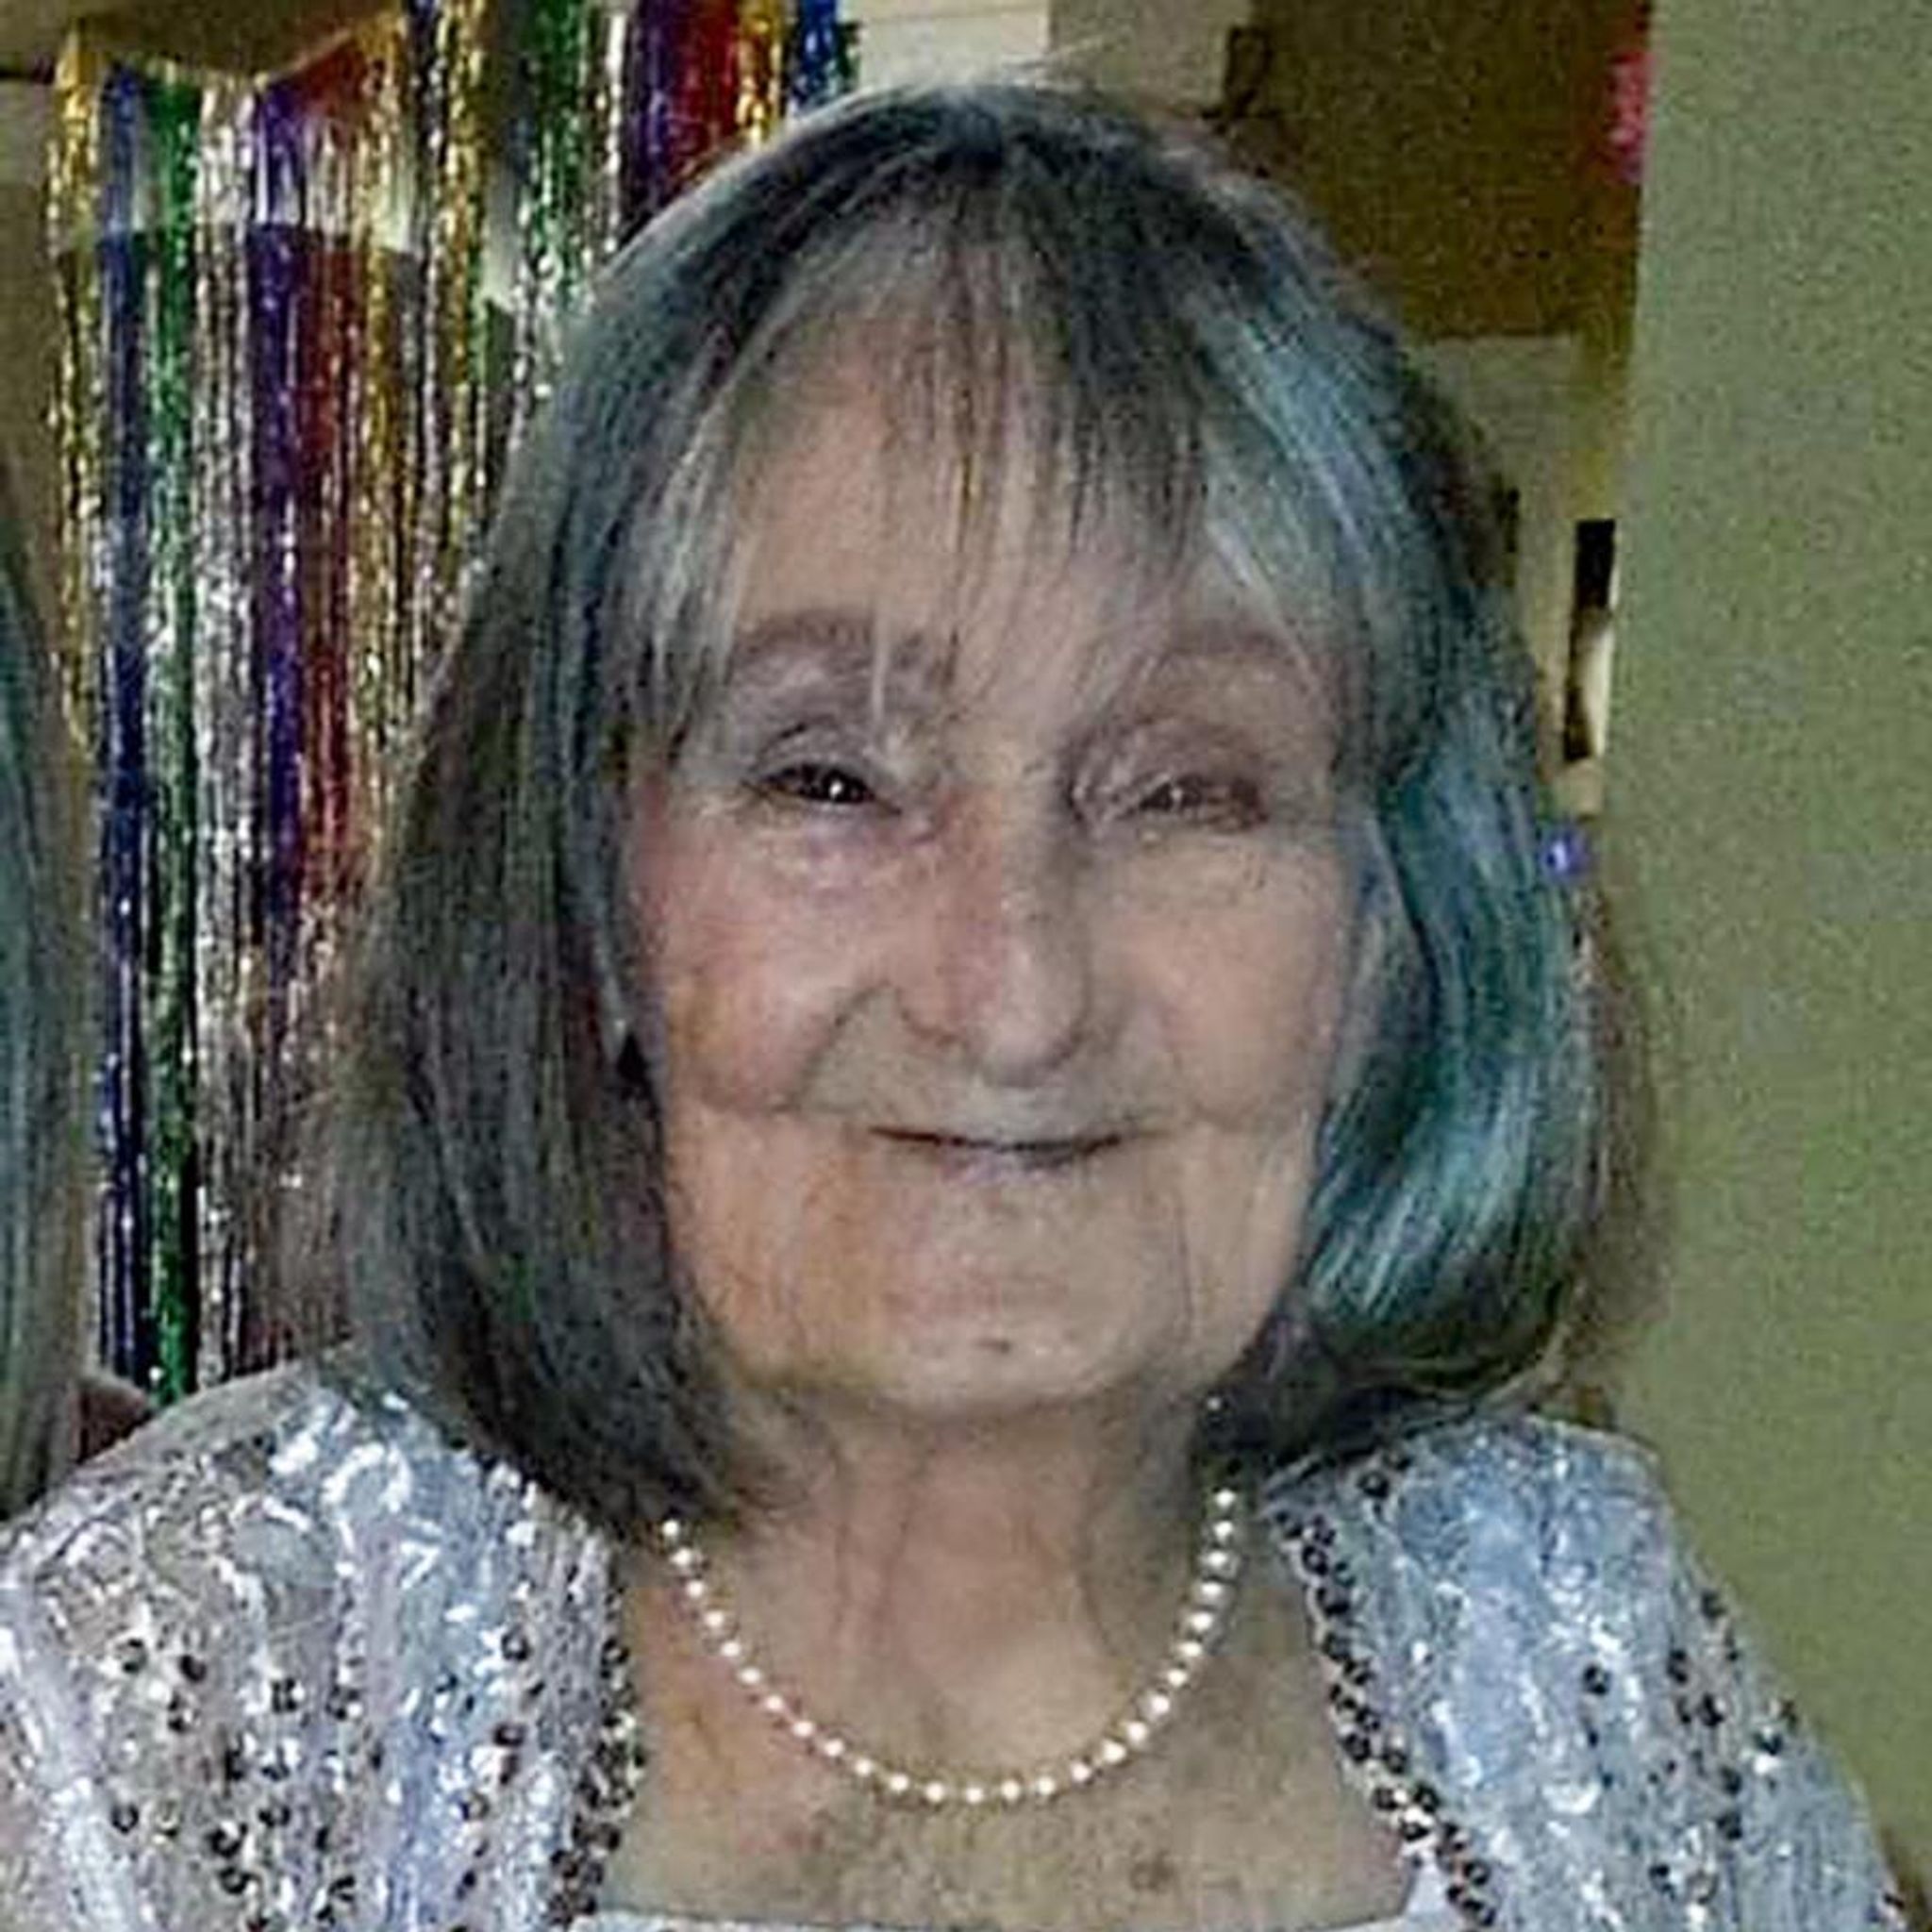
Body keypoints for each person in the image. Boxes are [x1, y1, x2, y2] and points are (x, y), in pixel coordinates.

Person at [0, 82, 1906, 1932]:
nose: (1013, 994)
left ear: (1386, 932)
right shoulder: (201, 1689)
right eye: (830, 777)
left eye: (1187, 788)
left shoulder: (1569, 1656)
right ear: (591, 895)